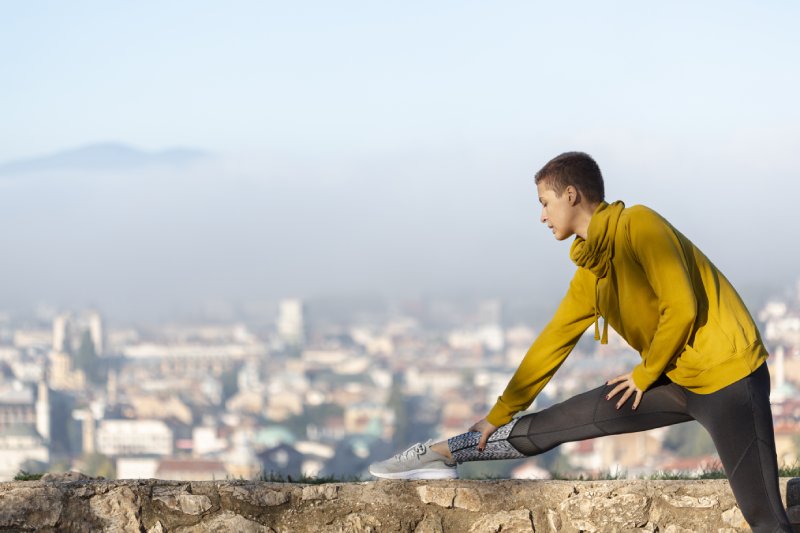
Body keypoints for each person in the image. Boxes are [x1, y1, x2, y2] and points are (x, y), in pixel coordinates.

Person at [368, 152, 793, 532]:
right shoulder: (591, 272)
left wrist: (644, 375)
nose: (541, 216)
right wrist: (500, 411)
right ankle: (442, 454)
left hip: (729, 379)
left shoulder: (639, 225)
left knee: (766, 521)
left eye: (544, 202)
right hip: (675, 379)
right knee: (554, 424)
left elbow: (681, 306)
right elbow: (553, 342)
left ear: (571, 195)